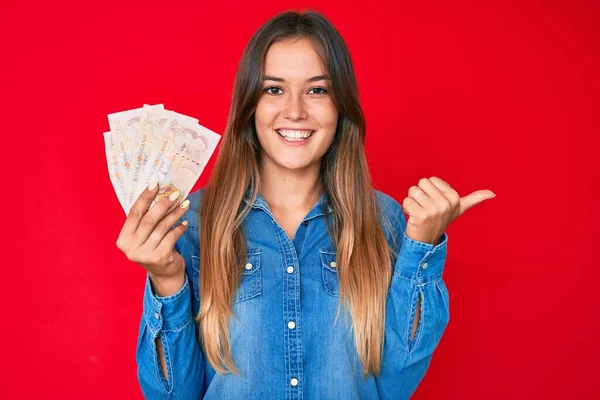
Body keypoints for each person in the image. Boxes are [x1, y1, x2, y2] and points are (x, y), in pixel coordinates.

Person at [116, 9, 495, 400]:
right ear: (250, 106)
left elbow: (393, 387)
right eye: (274, 89)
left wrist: (422, 250)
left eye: (317, 90)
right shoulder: (192, 222)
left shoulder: (384, 220)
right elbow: (172, 396)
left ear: (340, 105)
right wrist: (166, 281)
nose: (295, 110)